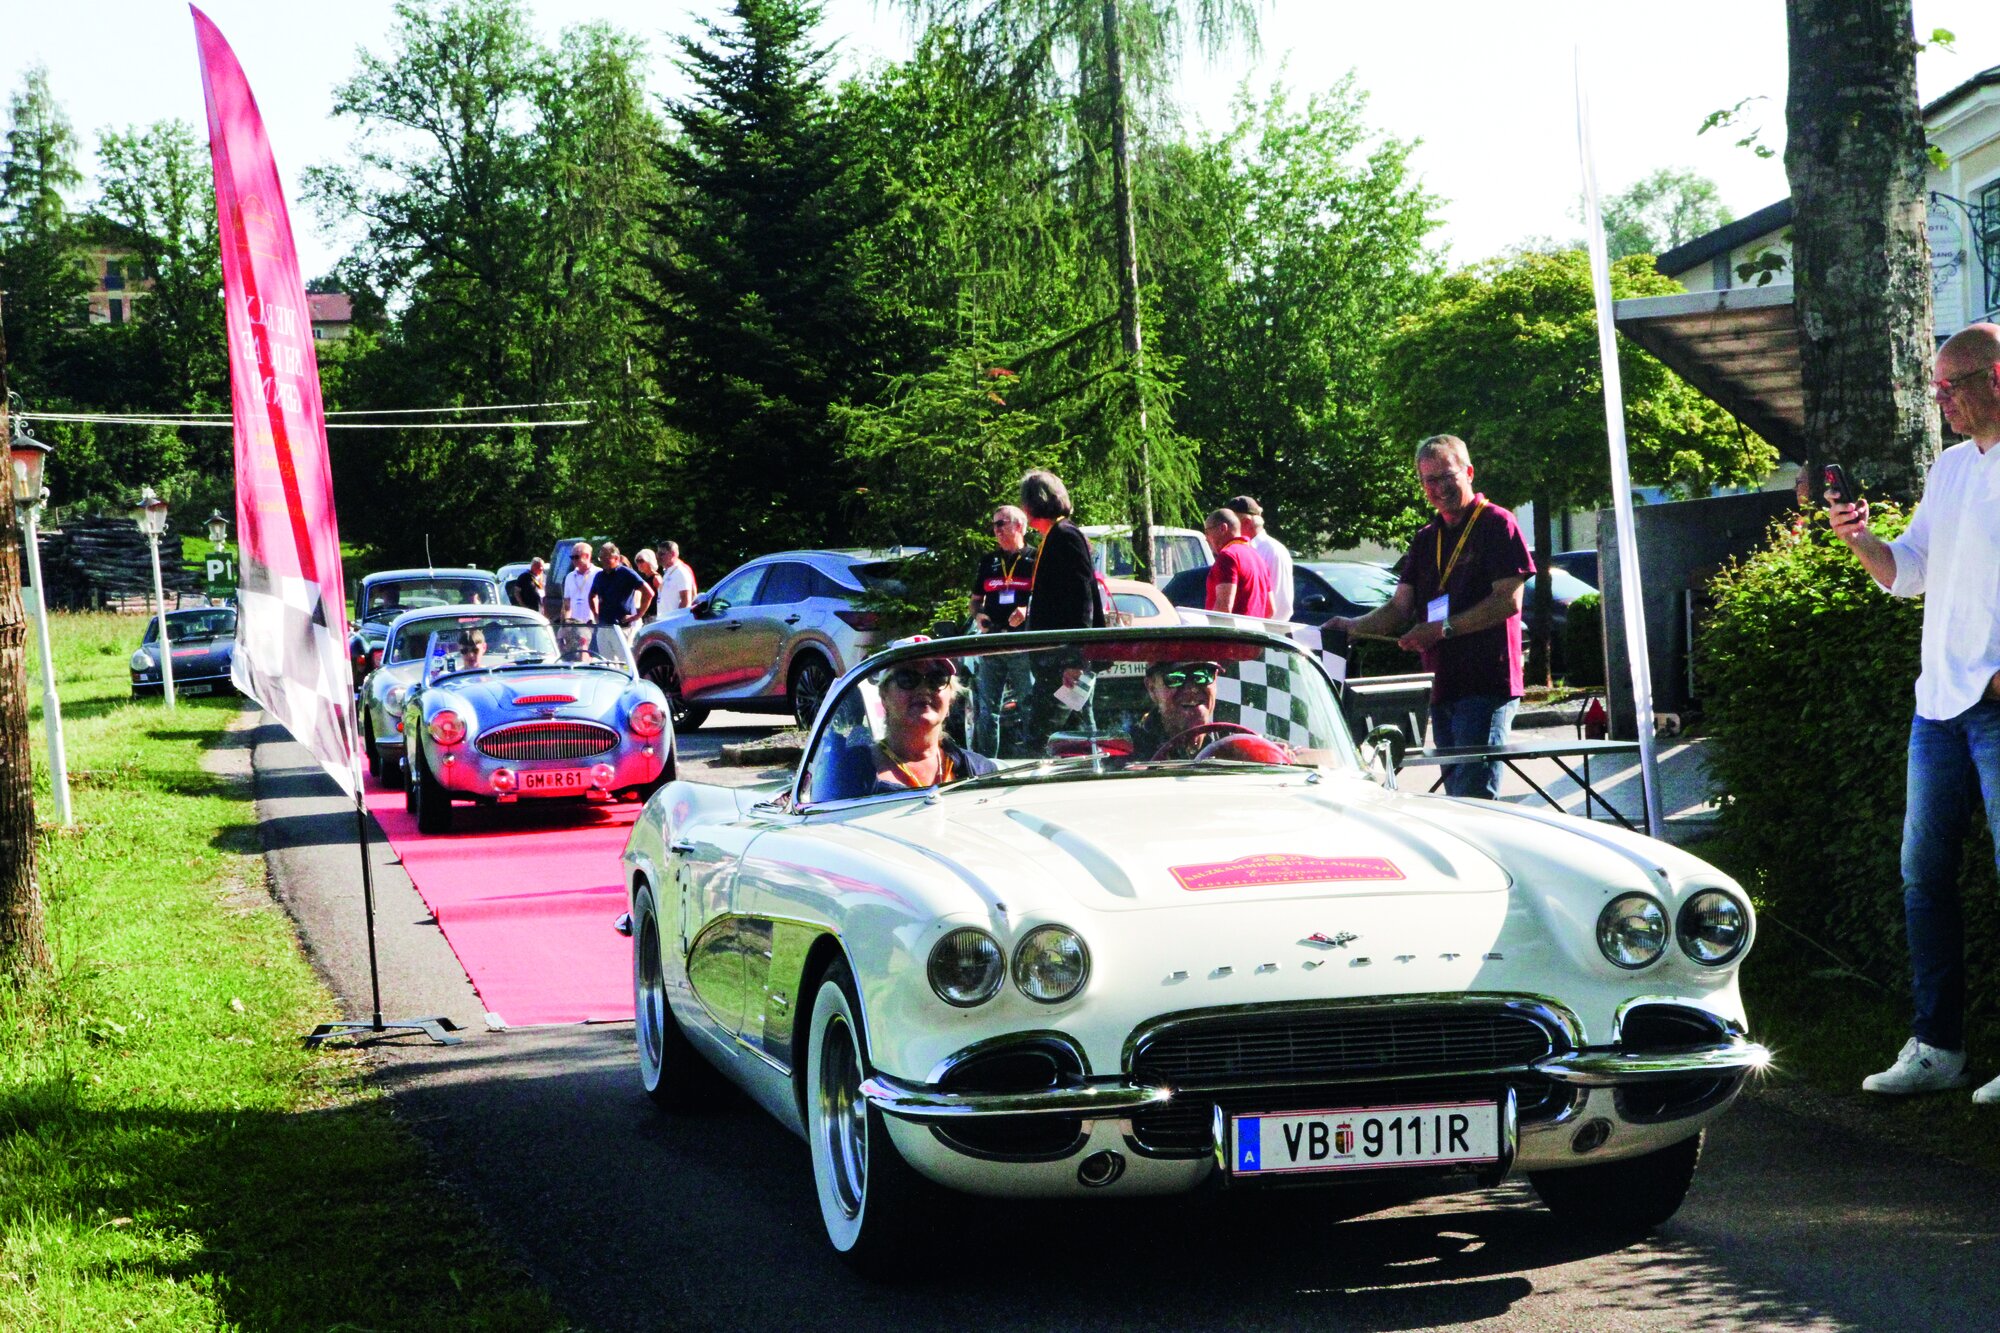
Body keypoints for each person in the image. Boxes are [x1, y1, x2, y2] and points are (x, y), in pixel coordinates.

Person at [1832, 323, 2000, 1102]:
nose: (1941, 401)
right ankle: (1938, 1047)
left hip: (1991, 708)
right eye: (1935, 387)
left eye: (1951, 385)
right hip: (1938, 707)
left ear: (1996, 377)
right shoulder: (1950, 468)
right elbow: (1910, 572)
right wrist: (1861, 538)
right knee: (1922, 877)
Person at [1327, 434, 1534, 799]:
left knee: (1473, 799)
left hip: (1486, 684)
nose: (1439, 488)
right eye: (1430, 480)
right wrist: (1352, 627)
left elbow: (1507, 602)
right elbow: (1399, 608)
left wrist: (1440, 630)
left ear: (1468, 473)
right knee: (1456, 799)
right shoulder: (1426, 538)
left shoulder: (1497, 523)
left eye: (1447, 476)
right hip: (1441, 686)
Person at [826, 658, 997, 797]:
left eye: (937, 678)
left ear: (951, 698)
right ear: (884, 696)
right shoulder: (847, 772)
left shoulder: (981, 770)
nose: (924, 689)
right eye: (907, 678)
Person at [1019, 470, 1103, 738]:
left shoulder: (1065, 534)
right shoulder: (1055, 534)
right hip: (1054, 662)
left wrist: (1074, 660)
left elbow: (1081, 599)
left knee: (1045, 736)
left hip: (1065, 663)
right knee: (1071, 735)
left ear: (1033, 503)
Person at [969, 504, 1037, 753]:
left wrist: (1027, 611)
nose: (996, 530)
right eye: (994, 525)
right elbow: (975, 601)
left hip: (1022, 643)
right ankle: (986, 765)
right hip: (993, 642)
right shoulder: (989, 561)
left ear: (1018, 526)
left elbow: (1048, 600)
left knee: (1029, 705)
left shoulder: (1035, 558)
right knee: (987, 710)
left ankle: (1035, 758)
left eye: (1001, 523)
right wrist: (979, 615)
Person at [1129, 660, 1221, 757]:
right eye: (1175, 679)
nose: (1192, 689)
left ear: (1215, 679)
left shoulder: (1230, 744)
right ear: (1151, 688)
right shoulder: (1129, 752)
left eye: (1203, 676)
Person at [1227, 495, 1294, 622]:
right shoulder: (1243, 549)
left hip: (1267, 629)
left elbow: (1280, 603)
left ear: (1246, 523)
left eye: (1232, 524)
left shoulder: (1272, 550)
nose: (1228, 529)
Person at [1203, 508, 1274, 618]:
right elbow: (1270, 610)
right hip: (1254, 628)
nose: (1206, 539)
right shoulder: (1258, 558)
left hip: (1229, 629)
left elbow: (1224, 608)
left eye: (1207, 532)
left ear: (1223, 528)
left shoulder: (1228, 556)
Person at [590, 542, 652, 634]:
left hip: (622, 627)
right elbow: (591, 596)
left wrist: (637, 616)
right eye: (601, 558)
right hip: (604, 627)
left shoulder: (626, 573)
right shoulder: (599, 576)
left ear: (616, 558)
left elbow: (649, 593)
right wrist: (596, 615)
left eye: (606, 558)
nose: (603, 561)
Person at [561, 542, 597, 624]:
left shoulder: (598, 573)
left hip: (592, 622)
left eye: (576, 557)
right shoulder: (569, 576)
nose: (574, 560)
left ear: (587, 556)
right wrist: (565, 623)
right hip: (574, 624)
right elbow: (567, 604)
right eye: (572, 557)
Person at [657, 541, 697, 613]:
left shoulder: (681, 571)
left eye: (661, 554)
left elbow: (686, 601)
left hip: (674, 619)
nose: (658, 557)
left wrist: (677, 617)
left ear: (673, 554)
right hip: (664, 618)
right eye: (657, 554)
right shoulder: (668, 572)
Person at [632, 549, 665, 622]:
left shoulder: (656, 578)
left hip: (655, 617)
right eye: (637, 561)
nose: (639, 564)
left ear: (649, 561)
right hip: (645, 617)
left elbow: (663, 597)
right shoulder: (644, 578)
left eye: (641, 561)